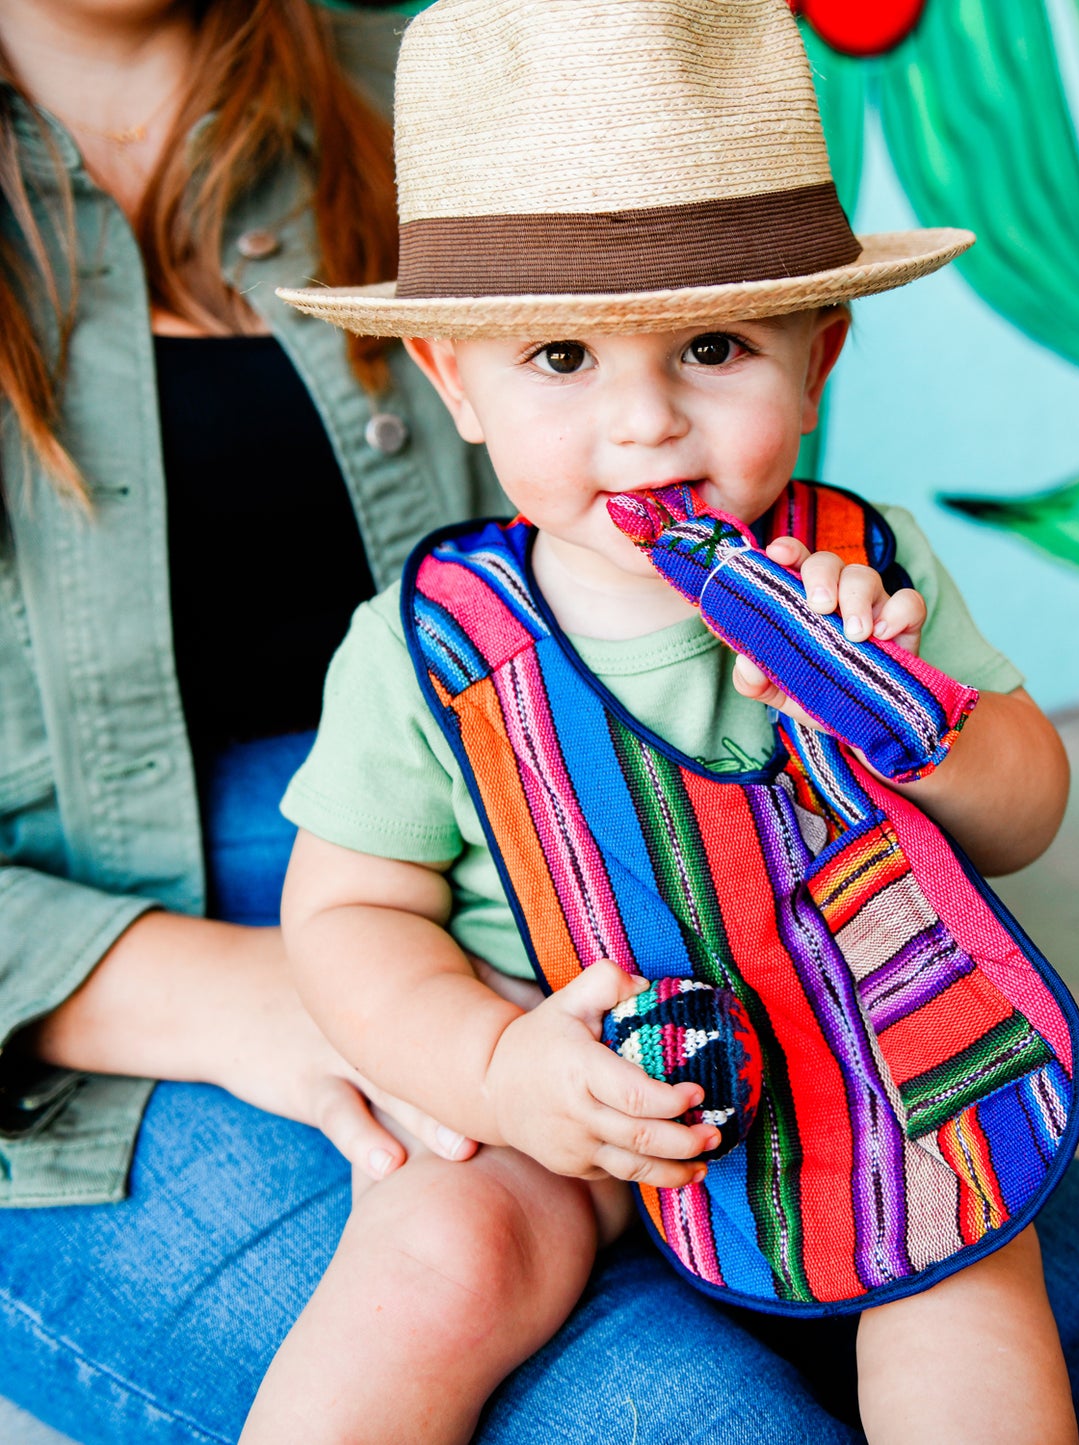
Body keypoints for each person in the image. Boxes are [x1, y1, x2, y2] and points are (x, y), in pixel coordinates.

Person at [0, 2, 862, 1442]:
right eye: (562, 360)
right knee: (676, 1412)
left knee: (1015, 1271)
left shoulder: (467, 77)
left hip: (539, 861)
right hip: (88, 981)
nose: (642, 418)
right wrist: (263, 990)